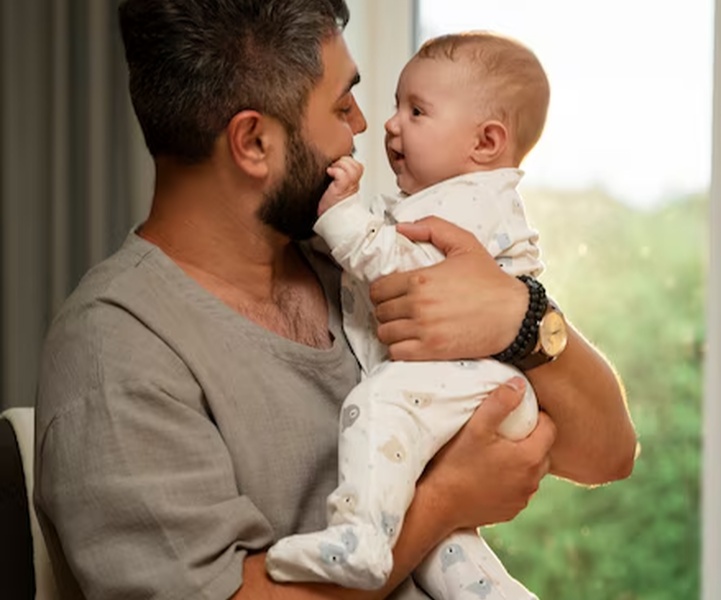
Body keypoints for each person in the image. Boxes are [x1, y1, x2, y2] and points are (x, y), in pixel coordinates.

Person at [33, 1, 637, 599]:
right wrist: (447, 500)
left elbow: (607, 453)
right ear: (253, 143)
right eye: (341, 103)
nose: (364, 126)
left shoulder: (347, 266)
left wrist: (521, 317)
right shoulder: (118, 350)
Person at [264, 32, 558, 600]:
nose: (389, 125)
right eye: (397, 104)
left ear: (486, 142)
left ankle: (360, 536)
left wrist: (342, 218)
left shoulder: (471, 200)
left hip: (472, 384)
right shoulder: (459, 200)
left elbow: (401, 270)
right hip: (482, 387)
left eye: (416, 111)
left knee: (375, 404)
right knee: (445, 551)